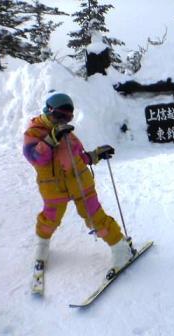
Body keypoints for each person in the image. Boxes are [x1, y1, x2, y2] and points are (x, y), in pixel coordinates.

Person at [23, 91, 134, 275]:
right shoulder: (34, 132)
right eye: (60, 115)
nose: (64, 120)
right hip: (54, 188)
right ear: (49, 110)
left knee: (95, 217)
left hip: (81, 183)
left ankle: (120, 248)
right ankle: (42, 246)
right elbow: (36, 158)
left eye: (68, 117)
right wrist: (51, 139)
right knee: (50, 219)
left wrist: (97, 154)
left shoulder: (67, 132)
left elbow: (80, 157)